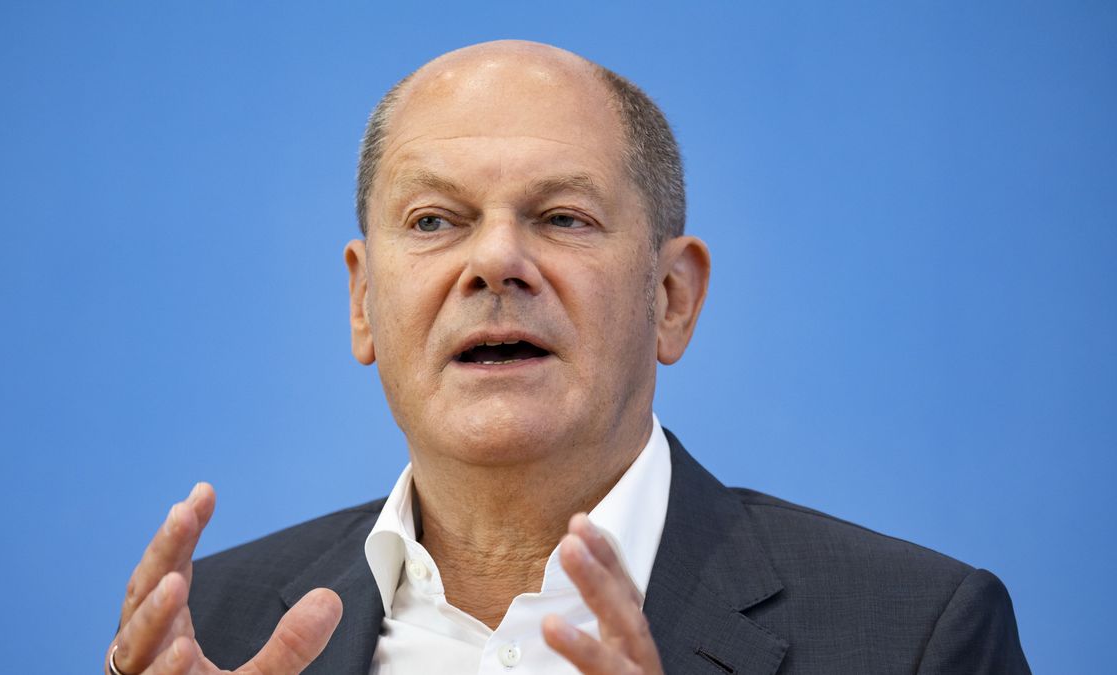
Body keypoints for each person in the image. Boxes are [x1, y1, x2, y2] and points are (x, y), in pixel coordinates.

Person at [104, 40, 1030, 675]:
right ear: (362, 302)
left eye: (562, 218)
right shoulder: (219, 626)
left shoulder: (913, 633)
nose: (497, 262)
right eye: (434, 221)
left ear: (671, 297)